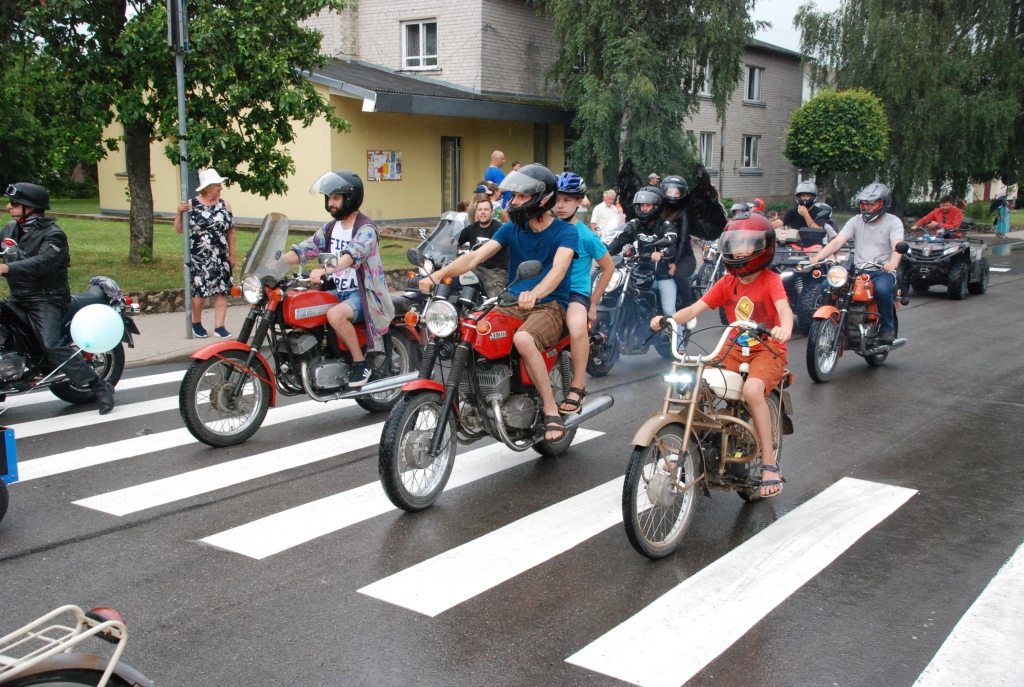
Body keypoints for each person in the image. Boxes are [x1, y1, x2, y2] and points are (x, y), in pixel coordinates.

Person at [418, 163, 577, 442]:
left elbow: (559, 269)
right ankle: (481, 396)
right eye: (512, 196)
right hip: (512, 301)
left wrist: (537, 292)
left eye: (520, 197)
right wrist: (438, 275)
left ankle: (551, 410)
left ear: (541, 199)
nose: (512, 202)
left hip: (550, 305)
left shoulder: (565, 232)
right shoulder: (510, 230)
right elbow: (473, 258)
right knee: (469, 327)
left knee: (524, 340)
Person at [650, 212, 793, 498]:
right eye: (735, 244)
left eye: (748, 244)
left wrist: (784, 329)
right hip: (735, 346)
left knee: (753, 390)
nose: (739, 250)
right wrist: (669, 319)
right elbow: (695, 309)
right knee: (696, 378)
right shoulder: (727, 282)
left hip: (768, 349)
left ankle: (769, 463)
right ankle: (688, 443)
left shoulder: (770, 280)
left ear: (763, 247)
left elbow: (784, 310)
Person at [1, 183, 115, 414]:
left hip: (46, 299)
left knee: (51, 343)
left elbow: (43, 262)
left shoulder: (53, 235)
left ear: (31, 208)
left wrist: (7, 268)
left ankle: (99, 386)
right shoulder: (10, 230)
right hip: (19, 296)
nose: (8, 206)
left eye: (14, 203)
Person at [284, 170, 395, 387]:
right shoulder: (330, 229)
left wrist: (325, 271)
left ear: (350, 198)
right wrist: (274, 262)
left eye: (336, 198)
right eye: (329, 198)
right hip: (339, 292)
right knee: (301, 307)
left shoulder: (366, 229)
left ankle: (359, 362)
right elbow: (303, 249)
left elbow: (351, 256)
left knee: (335, 314)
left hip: (365, 296)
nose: (331, 203)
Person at [552, 172, 615, 415]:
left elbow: (608, 268)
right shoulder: (546, 229)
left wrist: (592, 302)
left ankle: (578, 384)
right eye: (557, 199)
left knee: (578, 326)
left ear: (579, 202)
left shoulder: (587, 236)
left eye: (567, 200)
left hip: (575, 293)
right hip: (548, 291)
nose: (560, 205)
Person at [812, 182, 903, 344]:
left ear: (883, 204)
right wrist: (819, 256)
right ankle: (827, 324)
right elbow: (839, 240)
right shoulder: (856, 221)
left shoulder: (893, 222)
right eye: (865, 204)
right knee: (827, 286)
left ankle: (887, 328)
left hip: (882, 270)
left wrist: (893, 262)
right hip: (858, 270)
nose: (867, 208)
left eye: (872, 204)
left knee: (882, 290)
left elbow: (897, 245)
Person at [175, 168, 236, 338]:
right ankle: (196, 322)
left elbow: (231, 232)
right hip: (199, 256)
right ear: (208, 187)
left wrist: (232, 255)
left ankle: (220, 326)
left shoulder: (225, 205)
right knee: (200, 292)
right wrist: (179, 212)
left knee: (222, 290)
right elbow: (179, 230)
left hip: (220, 255)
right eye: (218, 185)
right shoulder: (191, 204)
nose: (220, 188)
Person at [608, 186, 678, 316]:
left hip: (661, 276)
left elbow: (672, 243)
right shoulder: (635, 224)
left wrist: (662, 253)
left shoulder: (665, 225)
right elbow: (620, 240)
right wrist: (604, 252)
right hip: (639, 274)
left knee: (669, 311)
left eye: (648, 205)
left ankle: (678, 336)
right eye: (641, 205)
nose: (644, 209)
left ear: (656, 206)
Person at [458, 198, 508, 297]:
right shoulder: (472, 228)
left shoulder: (499, 229)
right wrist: (443, 242)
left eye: (486, 209)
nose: (483, 212)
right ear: (476, 212)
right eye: (480, 210)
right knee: (451, 280)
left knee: (495, 299)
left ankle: (496, 309)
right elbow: (456, 240)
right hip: (474, 266)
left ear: (492, 212)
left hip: (495, 270)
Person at [660, 175, 696, 309]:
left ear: (682, 193)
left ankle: (689, 309)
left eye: (677, 192)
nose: (673, 195)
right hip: (664, 254)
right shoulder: (659, 210)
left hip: (683, 256)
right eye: (670, 191)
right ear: (664, 191)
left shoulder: (683, 213)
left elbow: (683, 239)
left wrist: (675, 262)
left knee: (679, 275)